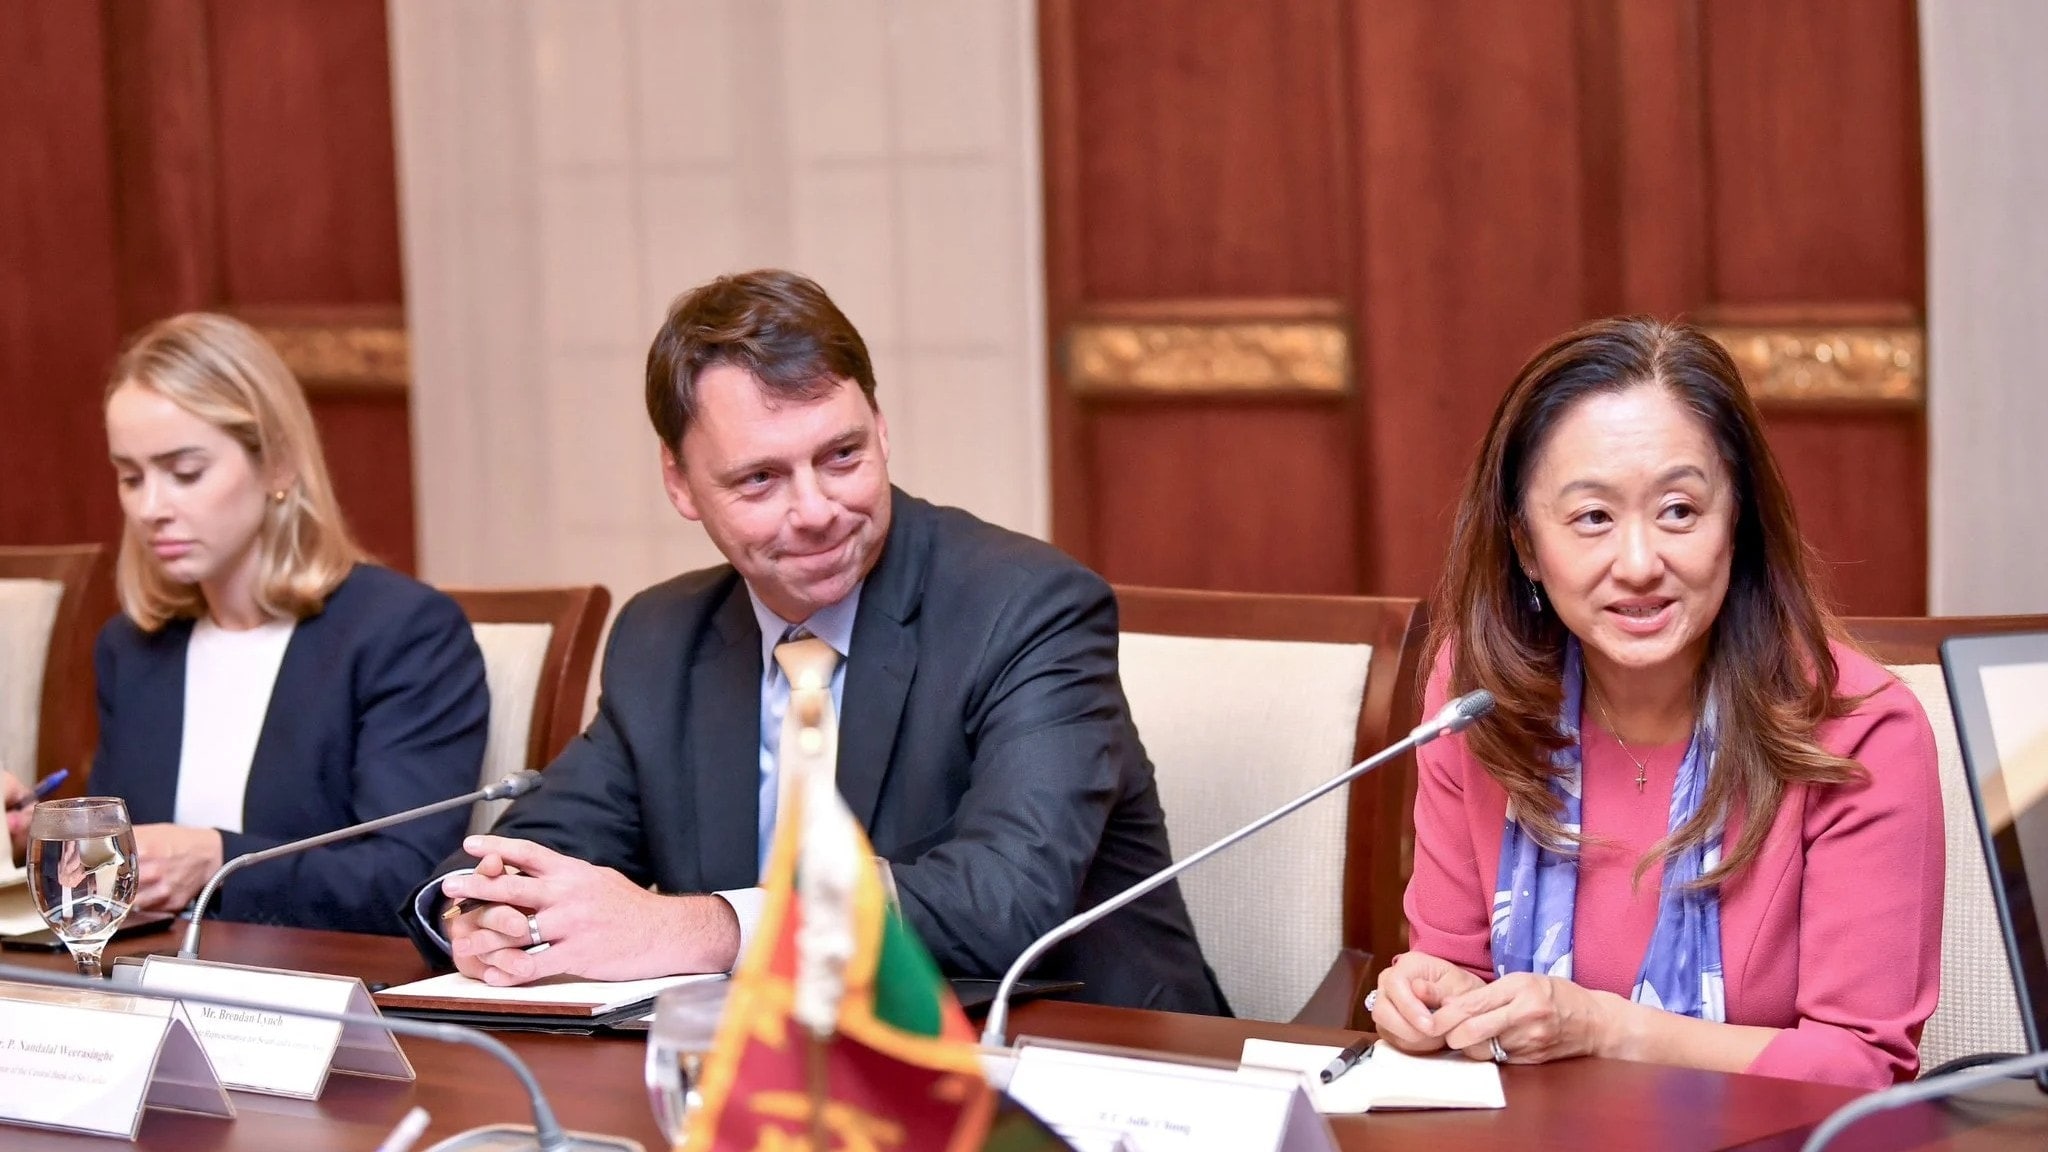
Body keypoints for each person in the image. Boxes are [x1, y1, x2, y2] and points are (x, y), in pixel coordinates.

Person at [405, 269, 1225, 1014]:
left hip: (1074, 1066)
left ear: (882, 428)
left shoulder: (1026, 608)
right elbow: (531, 852)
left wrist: (707, 928)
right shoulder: (665, 639)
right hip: (770, 1075)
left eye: (841, 456)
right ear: (680, 483)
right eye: (760, 478)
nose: (817, 511)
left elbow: (1004, 901)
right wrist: (483, 914)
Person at [1372, 317, 1941, 1089]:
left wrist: (1609, 1030)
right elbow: (1454, 966)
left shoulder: (1860, 731)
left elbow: (1862, 1067)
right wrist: (1432, 998)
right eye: (1593, 518)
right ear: (1526, 545)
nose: (1639, 564)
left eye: (1679, 510)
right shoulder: (1478, 699)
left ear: (1737, 520)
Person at [86, 313, 489, 935]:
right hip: (149, 975)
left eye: (185, 473)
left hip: (326, 983)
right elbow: (124, 861)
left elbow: (406, 879)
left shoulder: (403, 632)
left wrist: (219, 862)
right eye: (131, 477)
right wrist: (41, 833)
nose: (151, 508)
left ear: (277, 466)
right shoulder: (132, 647)